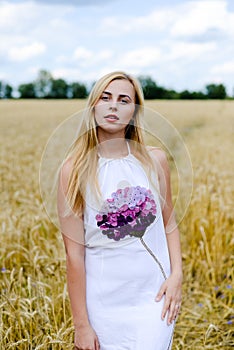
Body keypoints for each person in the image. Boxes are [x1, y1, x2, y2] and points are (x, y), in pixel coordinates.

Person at [57, 71, 183, 350]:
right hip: (103, 304)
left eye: (124, 99)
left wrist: (176, 275)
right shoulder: (73, 170)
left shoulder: (155, 160)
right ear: (94, 105)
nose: (113, 105)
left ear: (134, 112)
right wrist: (82, 325)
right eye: (105, 97)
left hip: (153, 299)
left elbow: (169, 222)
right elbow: (74, 254)